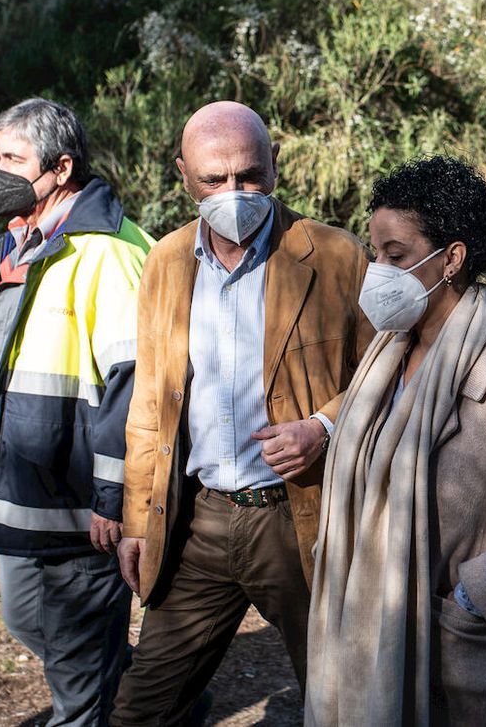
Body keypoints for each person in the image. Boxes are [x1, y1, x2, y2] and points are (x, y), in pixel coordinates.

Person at [304, 155, 486, 727]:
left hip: (474, 670)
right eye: (375, 253)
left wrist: (474, 595)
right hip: (373, 642)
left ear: (452, 259)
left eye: (396, 256)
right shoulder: (387, 355)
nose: (378, 271)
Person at [111, 101, 374, 724]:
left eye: (250, 175)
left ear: (275, 164)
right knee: (141, 710)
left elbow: (390, 377)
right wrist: (137, 520)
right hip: (199, 522)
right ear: (184, 176)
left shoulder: (337, 256)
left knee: (344, 704)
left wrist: (324, 428)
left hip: (301, 517)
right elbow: (150, 403)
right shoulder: (166, 262)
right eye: (214, 179)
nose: (234, 192)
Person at [0, 98, 153, 726]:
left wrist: (114, 497)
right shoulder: (21, 243)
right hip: (24, 486)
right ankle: (158, 701)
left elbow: (134, 384)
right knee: (26, 618)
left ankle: (116, 705)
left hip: (81, 501)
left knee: (76, 654)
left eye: (14, 160)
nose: (0, 173)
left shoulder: (108, 252)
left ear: (61, 168)